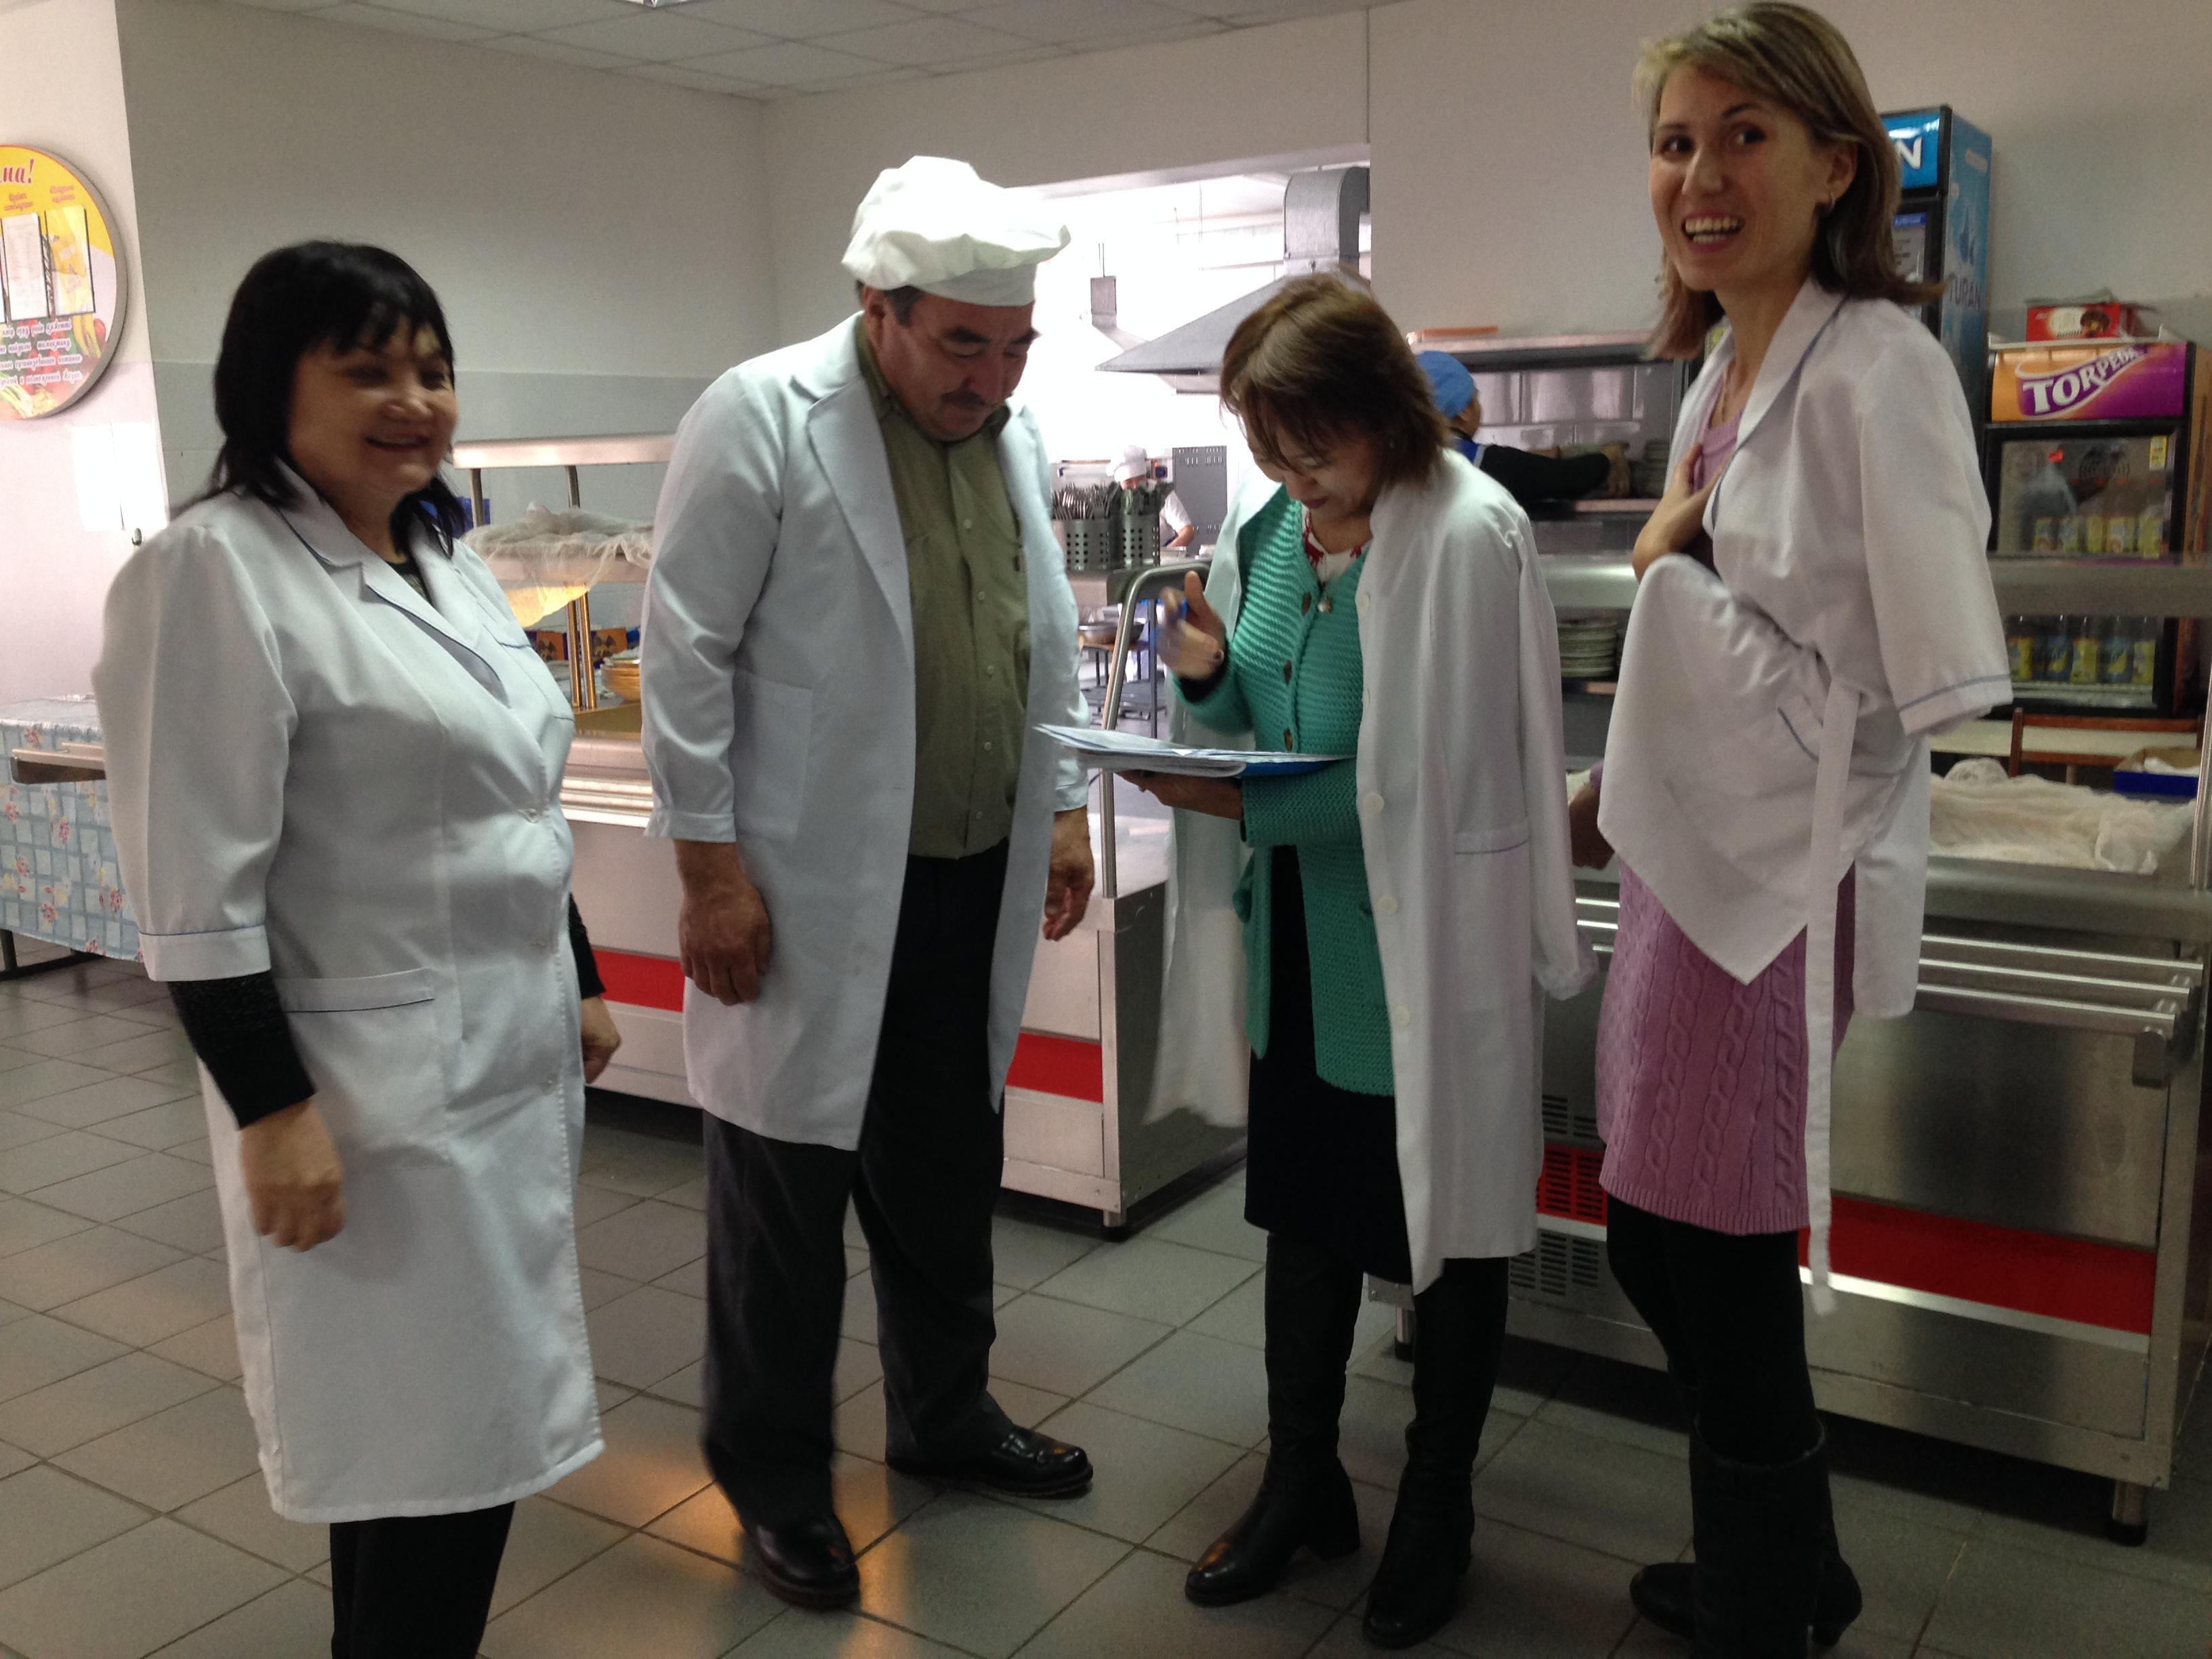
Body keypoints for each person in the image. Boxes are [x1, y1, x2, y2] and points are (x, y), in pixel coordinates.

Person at [94, 241, 617, 1659]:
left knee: (448, 1444)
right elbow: (194, 896)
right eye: (370, 369)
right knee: (426, 1450)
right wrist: (271, 1110)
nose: (415, 400)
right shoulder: (212, 573)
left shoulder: (441, 555)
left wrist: (575, 970)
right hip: (369, 1094)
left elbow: (508, 787)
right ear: (272, 387)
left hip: (493, 1063)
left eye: (433, 370)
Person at [1566, 8, 2010, 1654]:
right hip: (1688, 861)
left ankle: (1764, 1602)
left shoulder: (1882, 371)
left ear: (1835, 167)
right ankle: (1792, 1558)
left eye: (1743, 136)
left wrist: (1670, 583)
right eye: (1675, 142)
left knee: (1723, 1258)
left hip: (1779, 884)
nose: (1701, 175)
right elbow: (1719, 608)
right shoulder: (1724, 370)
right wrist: (1620, 774)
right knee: (1649, 1229)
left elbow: (1923, 678)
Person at [639, 156, 1098, 1611]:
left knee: (946, 1178)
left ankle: (944, 1417)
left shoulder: (1008, 437)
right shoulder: (760, 416)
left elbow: (1038, 635)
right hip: (808, 892)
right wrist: (708, 872)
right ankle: (775, 1482)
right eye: (961, 344)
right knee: (784, 1203)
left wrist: (1064, 807)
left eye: (1014, 347)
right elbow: (683, 653)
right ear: (875, 306)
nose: (989, 379)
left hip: (966, 878)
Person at [1135, 273, 1591, 1650]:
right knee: (1307, 1220)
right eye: (1269, 446)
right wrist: (1203, 678)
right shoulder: (1272, 531)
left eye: (1313, 444)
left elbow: (1429, 781)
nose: (1294, 475)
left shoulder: (1464, 533)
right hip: (1301, 946)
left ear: (1384, 412)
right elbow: (1251, 714)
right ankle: (1303, 1479)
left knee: (1444, 1243)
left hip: (1419, 955)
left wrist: (1239, 805)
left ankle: (1436, 1507)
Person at [1415, 350, 1633, 505]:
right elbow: (1567, 479)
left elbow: (1511, 464)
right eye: (1476, 397)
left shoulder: (1414, 460)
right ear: (1463, 410)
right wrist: (1608, 456)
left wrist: (1554, 453)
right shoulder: (1472, 464)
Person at [1114, 443, 1197, 549]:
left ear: (1146, 476)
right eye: (1129, 482)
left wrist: (1166, 553)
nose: (1135, 487)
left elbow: (1188, 532)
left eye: (1140, 479)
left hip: (1161, 553)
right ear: (1120, 483)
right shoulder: (1112, 500)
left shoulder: (1162, 494)